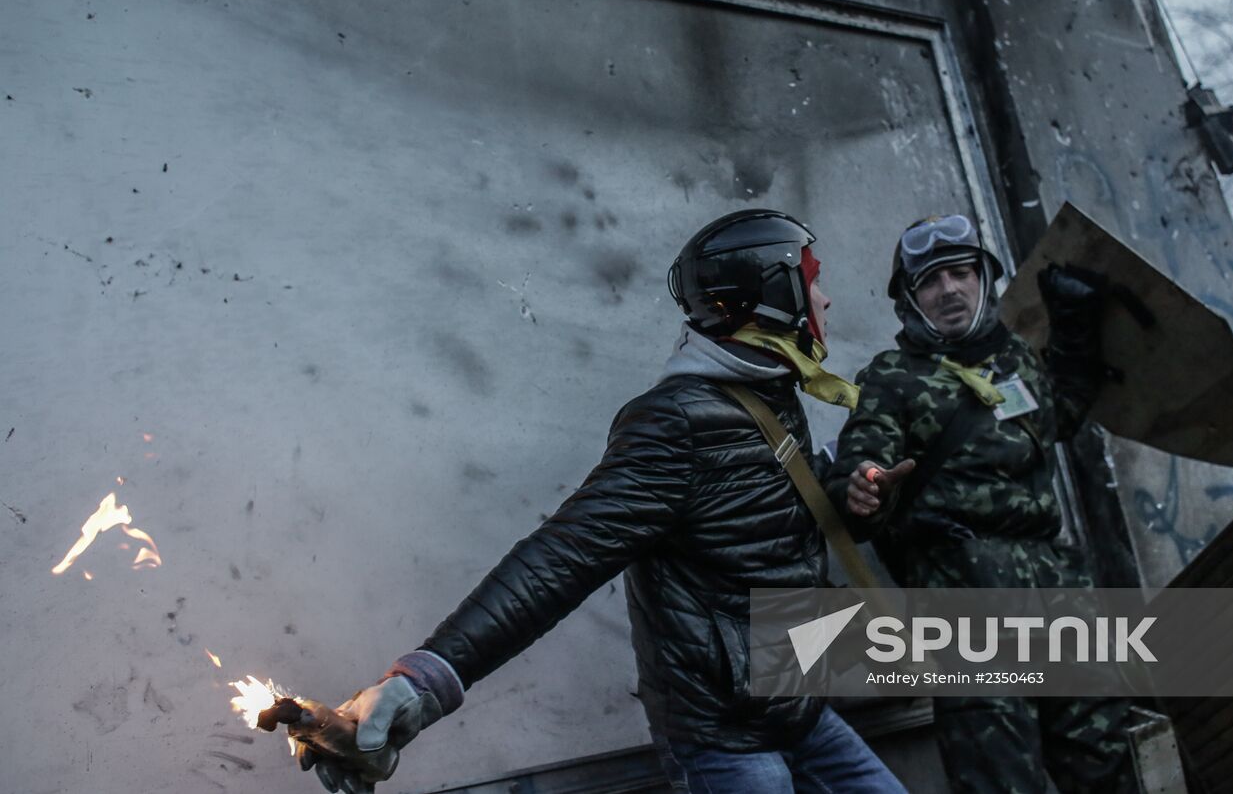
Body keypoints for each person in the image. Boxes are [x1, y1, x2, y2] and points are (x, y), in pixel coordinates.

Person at [295, 209, 905, 794]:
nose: (824, 300)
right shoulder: (676, 424)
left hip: (794, 699)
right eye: (814, 283)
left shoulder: (772, 390)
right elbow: (563, 558)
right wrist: (427, 680)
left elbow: (765, 524)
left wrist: (852, 501)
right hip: (725, 732)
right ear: (779, 296)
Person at [827, 213, 1134, 794]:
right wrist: (863, 489)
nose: (949, 290)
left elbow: (1057, 418)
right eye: (930, 281)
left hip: (1057, 591)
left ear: (984, 279)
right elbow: (862, 464)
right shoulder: (892, 378)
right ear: (910, 299)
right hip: (967, 602)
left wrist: (1075, 330)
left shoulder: (1016, 359)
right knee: (1000, 779)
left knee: (1106, 763)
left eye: (961, 273)